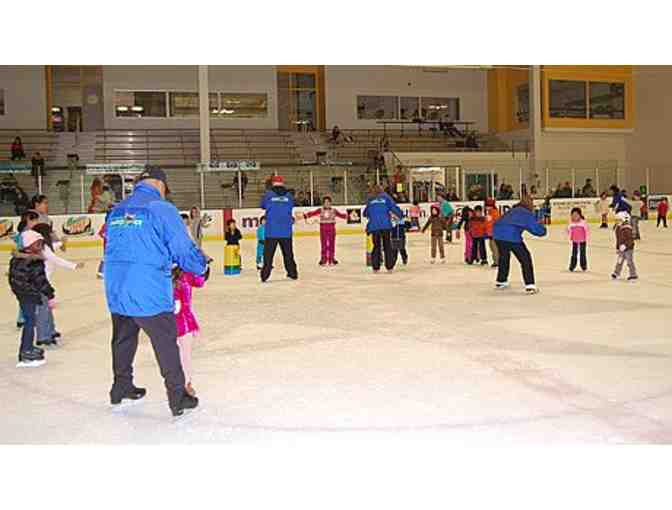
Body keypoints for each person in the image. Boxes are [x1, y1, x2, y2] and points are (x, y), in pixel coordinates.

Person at [104, 166, 209, 417]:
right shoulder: (161, 208)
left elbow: (110, 245)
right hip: (147, 287)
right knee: (165, 342)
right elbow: (182, 248)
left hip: (116, 285)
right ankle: (178, 396)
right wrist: (200, 265)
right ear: (160, 185)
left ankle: (121, 386)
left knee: (123, 338)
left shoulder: (117, 210)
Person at [31, 223, 84, 346]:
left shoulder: (44, 246)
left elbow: (53, 247)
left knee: (47, 309)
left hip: (44, 283)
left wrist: (61, 243)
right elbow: (55, 259)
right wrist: (74, 266)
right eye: (50, 232)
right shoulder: (42, 247)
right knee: (43, 310)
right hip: (40, 284)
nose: (52, 234)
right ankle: (43, 336)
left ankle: (50, 330)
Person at [9, 230, 55, 368]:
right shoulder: (34, 261)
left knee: (30, 320)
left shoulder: (17, 258)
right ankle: (26, 350)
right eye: (38, 244)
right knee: (30, 322)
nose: (41, 246)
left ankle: (27, 347)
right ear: (29, 245)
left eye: (41, 243)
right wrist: (50, 294)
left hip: (22, 294)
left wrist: (18, 291)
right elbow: (41, 281)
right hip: (29, 295)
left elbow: (13, 279)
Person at [493, 195, 547, 294]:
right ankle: (530, 284)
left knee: (504, 257)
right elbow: (536, 230)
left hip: (497, 234)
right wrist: (543, 229)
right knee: (525, 258)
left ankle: (501, 281)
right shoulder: (526, 213)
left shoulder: (512, 210)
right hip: (511, 236)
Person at [172, 266, 206, 398]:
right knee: (175, 355)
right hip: (169, 322)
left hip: (185, 323)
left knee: (184, 354)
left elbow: (200, 281)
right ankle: (178, 384)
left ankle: (186, 383)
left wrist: (201, 266)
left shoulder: (187, 273)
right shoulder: (162, 274)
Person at [260, 175, 298, 282]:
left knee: (268, 255)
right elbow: (291, 205)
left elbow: (262, 205)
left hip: (272, 230)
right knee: (288, 254)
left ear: (272, 183)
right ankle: (292, 273)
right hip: (286, 230)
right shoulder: (289, 195)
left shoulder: (268, 194)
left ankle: (265, 275)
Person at [363, 185, 403, 272]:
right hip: (385, 226)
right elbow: (394, 208)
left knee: (376, 246)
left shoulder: (371, 199)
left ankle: (376, 267)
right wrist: (400, 215)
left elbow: (365, 213)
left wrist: (371, 215)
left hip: (374, 227)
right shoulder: (386, 198)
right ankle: (389, 267)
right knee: (387, 246)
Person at [303, 196, 347, 266]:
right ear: (323, 203)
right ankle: (323, 259)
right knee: (324, 245)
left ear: (330, 203)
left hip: (332, 229)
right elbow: (312, 213)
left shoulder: (334, 210)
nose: (327, 204)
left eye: (328, 202)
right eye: (325, 202)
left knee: (331, 245)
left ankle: (331, 259)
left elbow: (341, 215)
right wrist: (306, 215)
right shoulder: (320, 210)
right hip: (323, 229)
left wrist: (349, 216)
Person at [611, 212, 638, 281]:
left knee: (629, 261)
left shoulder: (627, 229)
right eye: (616, 220)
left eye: (619, 220)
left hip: (629, 249)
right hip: (621, 249)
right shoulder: (618, 228)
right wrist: (618, 247)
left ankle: (633, 274)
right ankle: (616, 273)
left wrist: (625, 246)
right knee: (619, 261)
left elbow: (630, 240)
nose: (617, 221)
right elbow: (618, 239)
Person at [567, 207, 590, 272]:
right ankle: (572, 266)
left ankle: (583, 266)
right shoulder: (571, 223)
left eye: (576, 215)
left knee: (583, 253)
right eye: (573, 215)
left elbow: (587, 230)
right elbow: (568, 230)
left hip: (582, 240)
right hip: (574, 240)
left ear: (580, 215)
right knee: (574, 253)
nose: (575, 217)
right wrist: (569, 235)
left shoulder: (583, 223)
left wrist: (586, 237)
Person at [484, 198, 500, 268]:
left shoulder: (494, 213)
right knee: (492, 247)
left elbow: (495, 223)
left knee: (494, 247)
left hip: (494, 233)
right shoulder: (490, 212)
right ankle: (496, 260)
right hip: (491, 233)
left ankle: (497, 261)